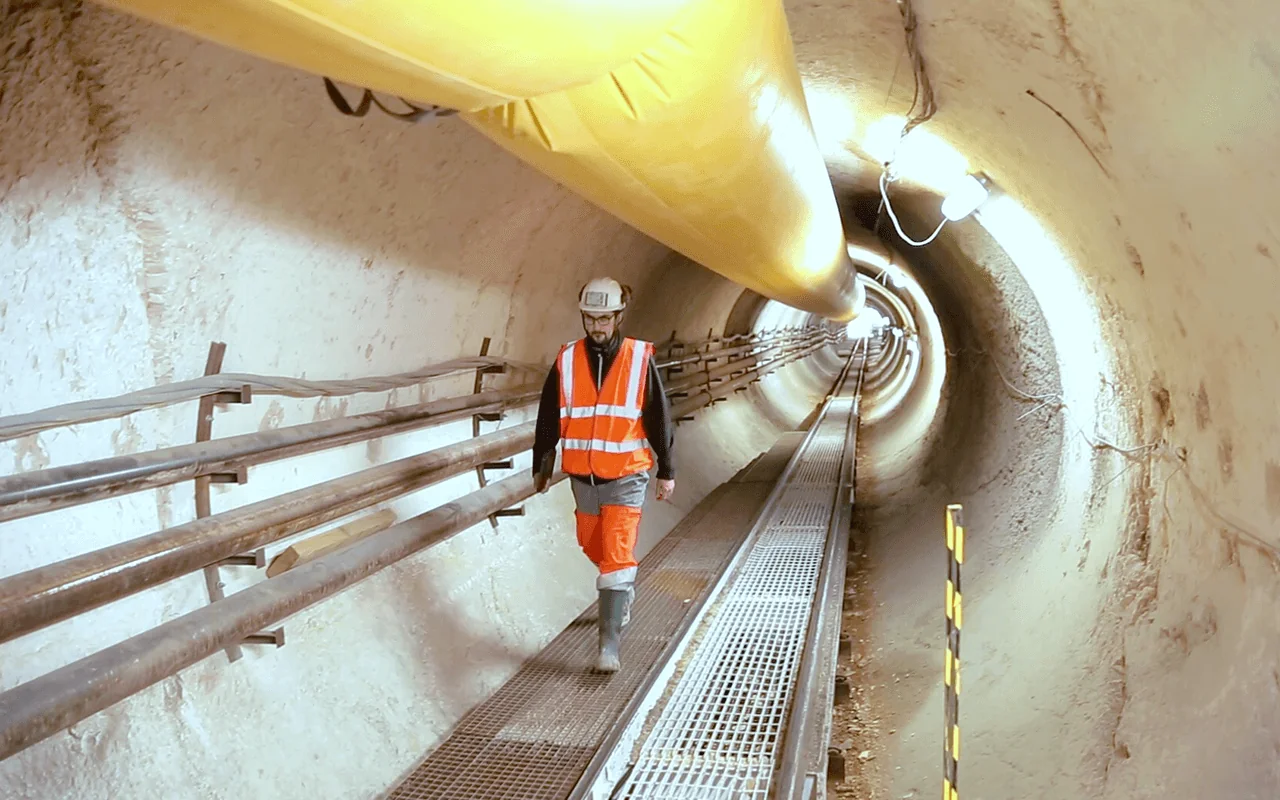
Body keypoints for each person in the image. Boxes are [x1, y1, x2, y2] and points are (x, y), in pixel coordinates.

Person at [532, 276, 676, 673]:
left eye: (605, 318)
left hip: (627, 475)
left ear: (618, 316)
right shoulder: (566, 360)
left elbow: (658, 416)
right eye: (591, 318)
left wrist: (667, 468)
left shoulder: (638, 359)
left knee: (615, 554)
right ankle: (621, 588)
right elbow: (549, 415)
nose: (597, 326)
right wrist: (542, 462)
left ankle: (608, 646)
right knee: (590, 544)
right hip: (583, 477)